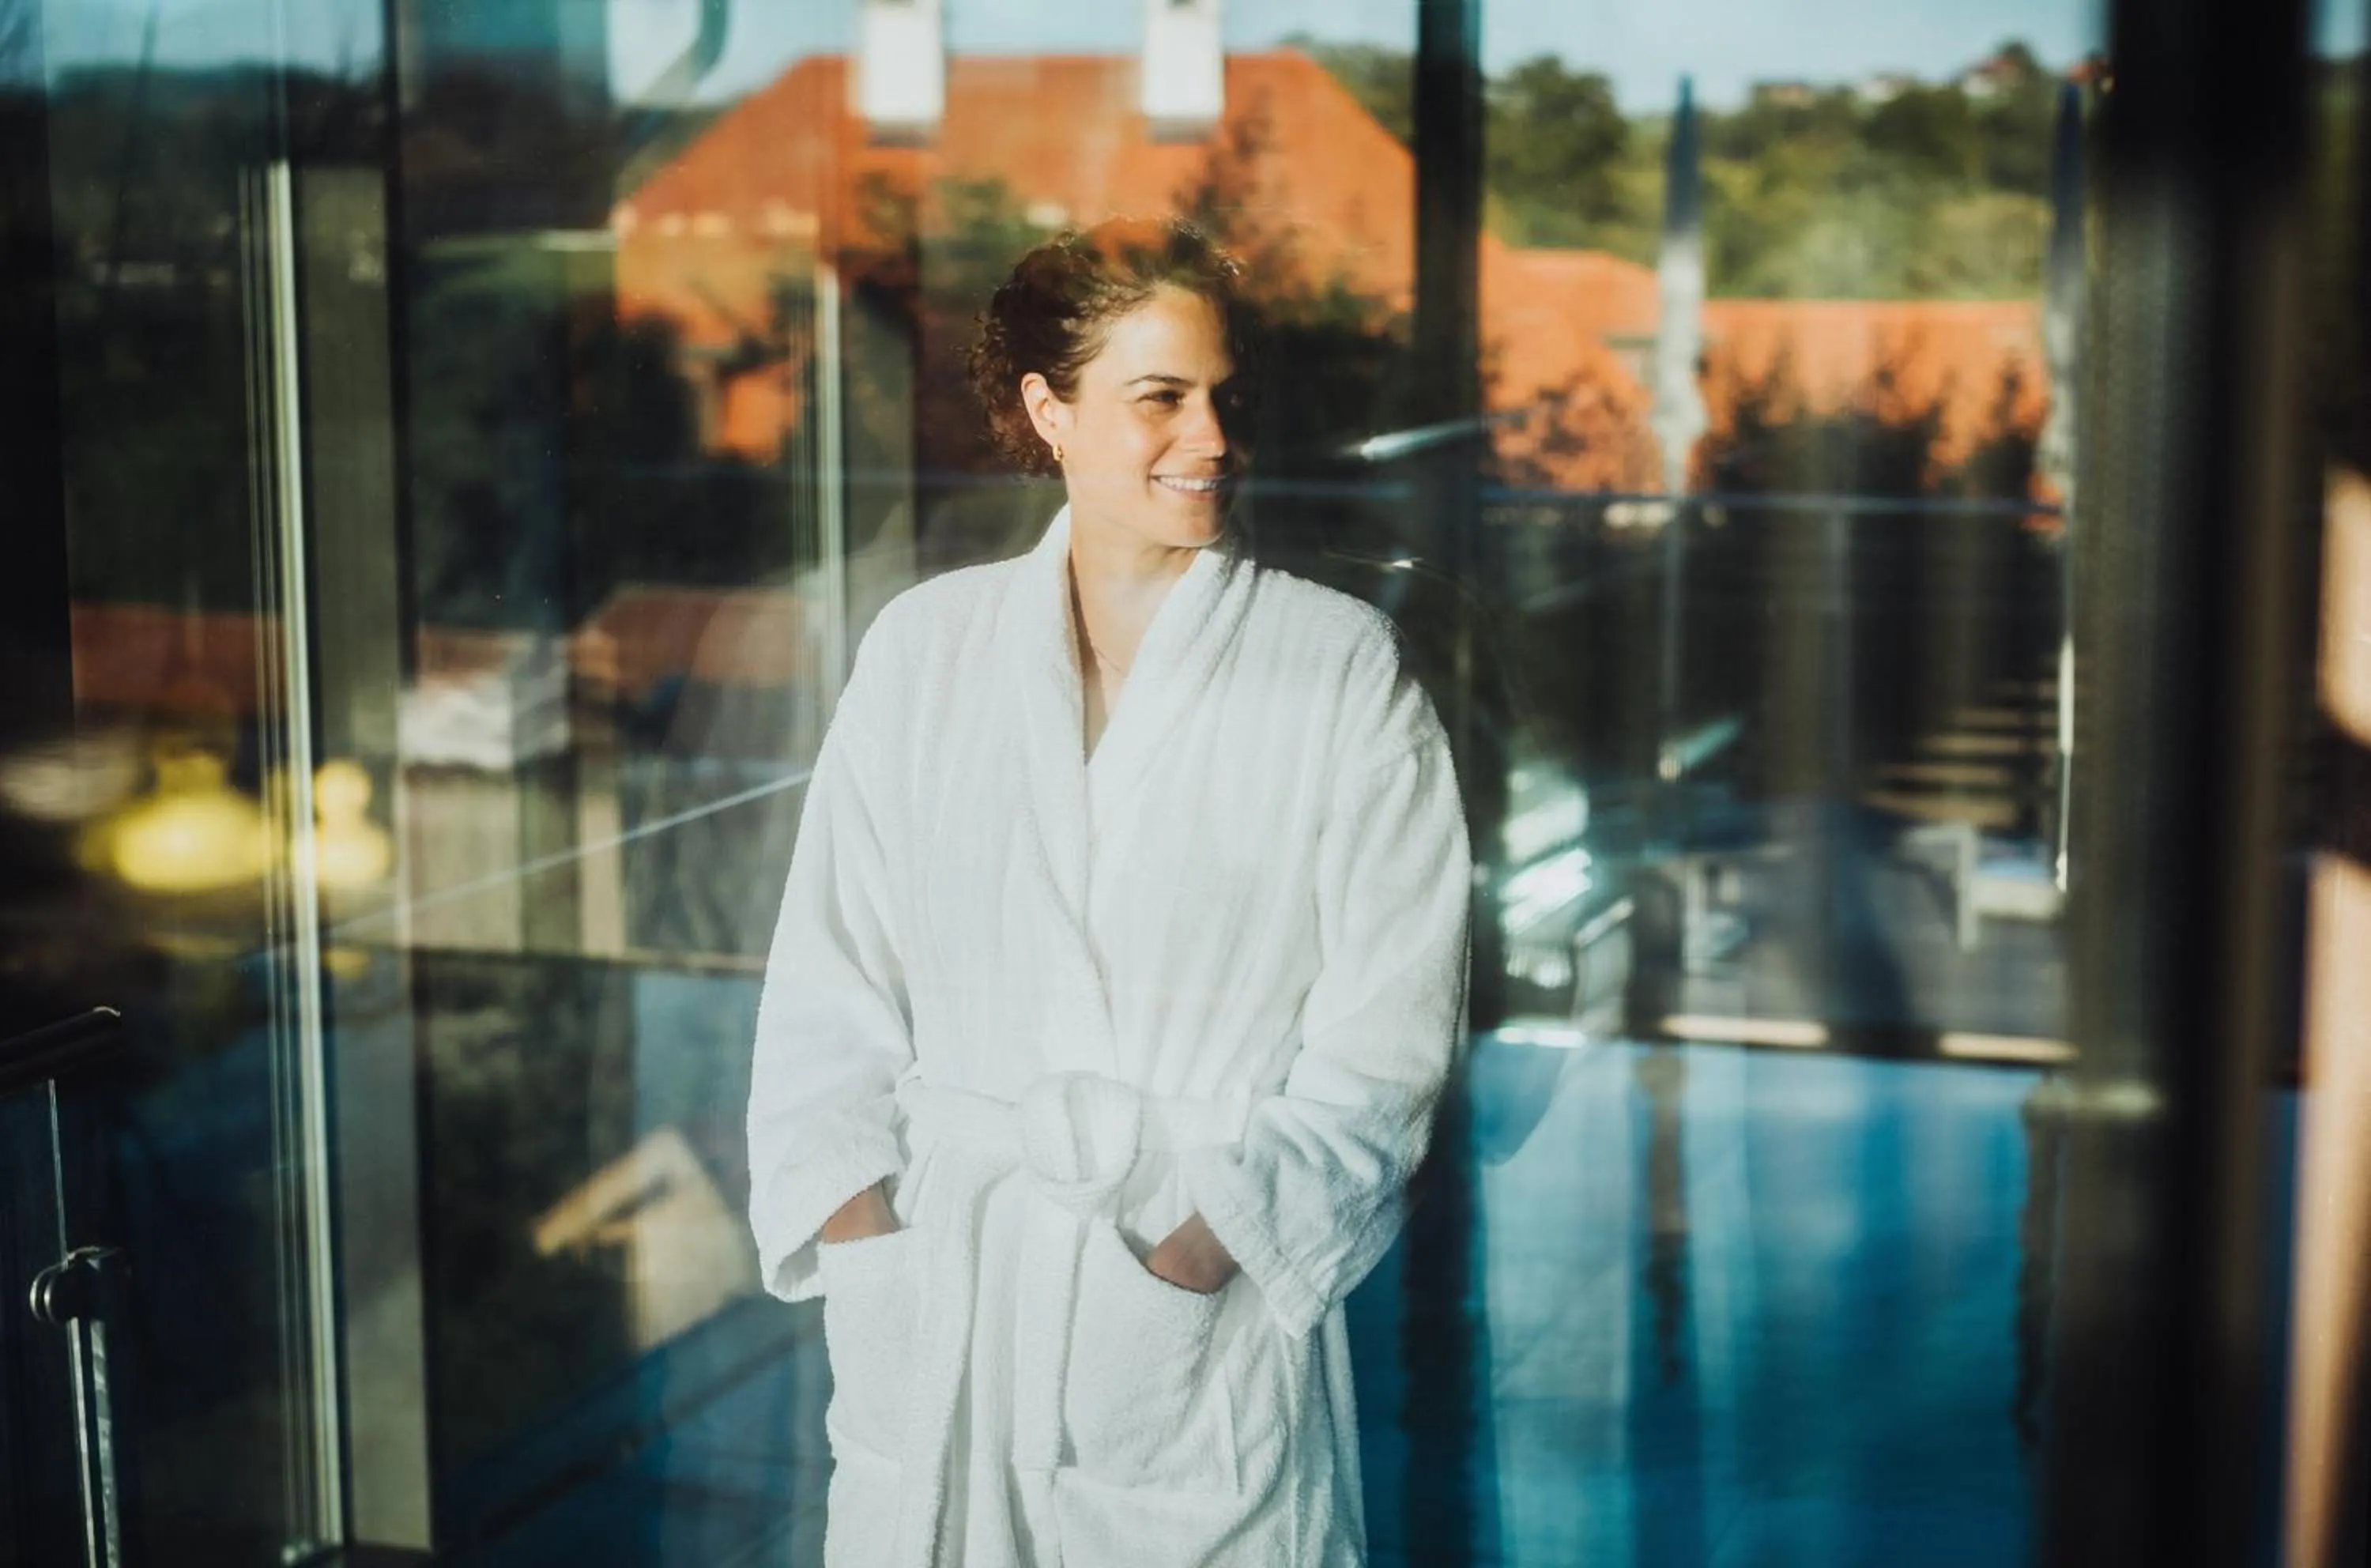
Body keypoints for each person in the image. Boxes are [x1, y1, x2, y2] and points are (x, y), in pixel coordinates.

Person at [746, 216, 1472, 1568]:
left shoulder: (1339, 669)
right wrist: (867, 1247)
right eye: (1160, 399)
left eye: (1224, 397)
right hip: (945, 1303)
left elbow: (1387, 1050)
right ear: (1049, 410)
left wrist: (1196, 1257)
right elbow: (826, 990)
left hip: (1188, 1320)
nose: (1210, 438)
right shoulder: (925, 652)